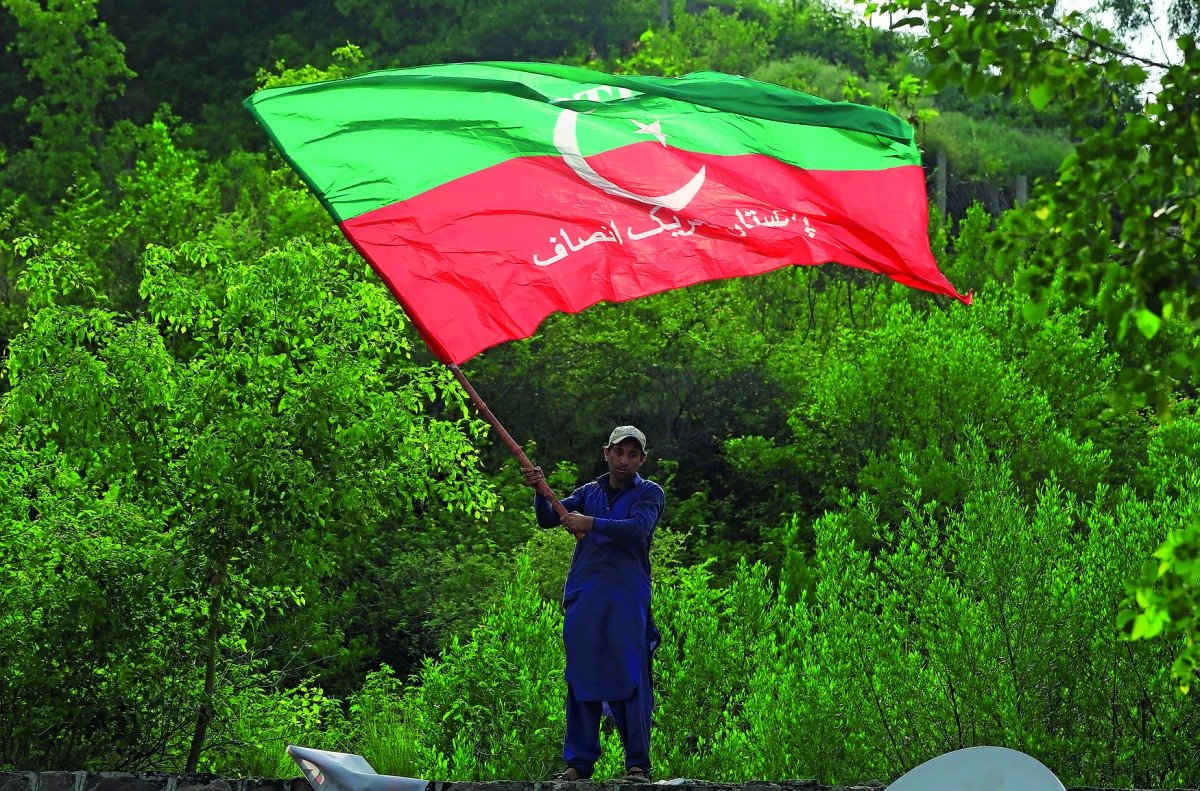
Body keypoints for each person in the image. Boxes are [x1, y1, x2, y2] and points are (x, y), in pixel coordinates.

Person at [523, 425, 666, 784]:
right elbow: (547, 518)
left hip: (627, 597)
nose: (624, 460)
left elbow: (637, 529)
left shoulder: (650, 493)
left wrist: (591, 523)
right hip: (585, 595)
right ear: (607, 453)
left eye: (633, 455)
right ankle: (578, 764)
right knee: (581, 674)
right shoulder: (589, 492)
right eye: (619, 452)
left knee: (631, 675)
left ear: (642, 459)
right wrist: (541, 490)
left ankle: (637, 765)